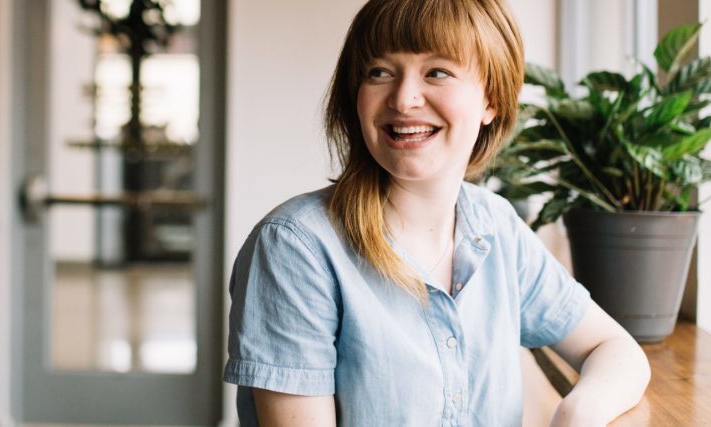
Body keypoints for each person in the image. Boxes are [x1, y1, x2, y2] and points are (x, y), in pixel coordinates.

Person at [223, 0, 650, 425]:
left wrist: (577, 413)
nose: (404, 99)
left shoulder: (495, 224)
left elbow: (613, 348)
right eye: (380, 72)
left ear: (491, 100)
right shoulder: (295, 248)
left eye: (437, 72)